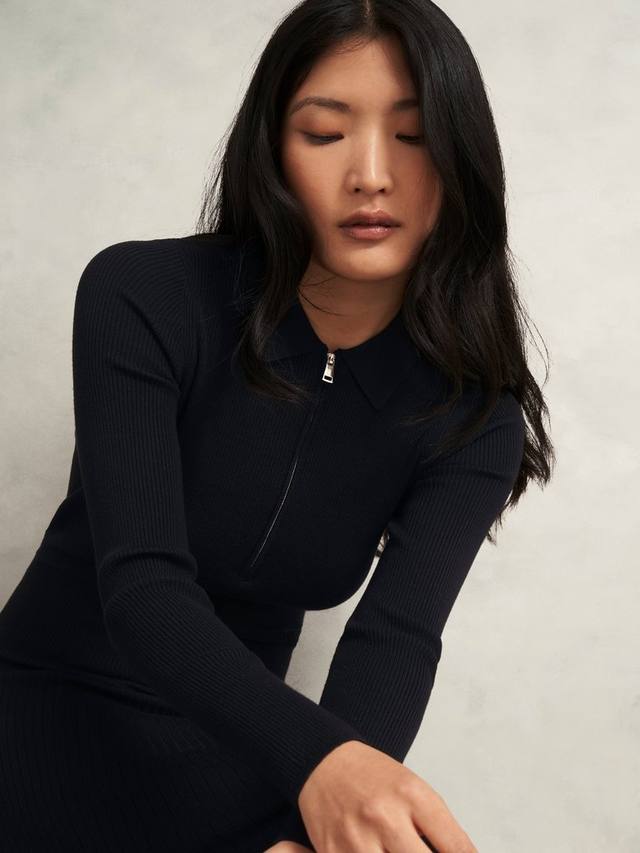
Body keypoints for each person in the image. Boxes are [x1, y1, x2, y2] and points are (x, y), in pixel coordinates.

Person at [0, 1, 554, 851]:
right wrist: (320, 764)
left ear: (463, 160)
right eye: (326, 133)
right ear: (273, 151)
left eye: (413, 136)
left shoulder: (473, 419)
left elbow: (395, 642)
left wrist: (309, 832)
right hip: (41, 718)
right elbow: (145, 590)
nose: (371, 175)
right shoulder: (144, 296)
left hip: (239, 766)